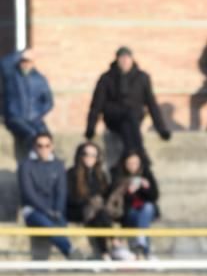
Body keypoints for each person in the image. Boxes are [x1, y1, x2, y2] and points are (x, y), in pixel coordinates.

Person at [85, 47, 171, 161]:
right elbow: (97, 104)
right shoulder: (106, 78)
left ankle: (130, 159)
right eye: (122, 58)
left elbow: (151, 104)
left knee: (128, 123)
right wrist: (90, 128)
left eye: (127, 58)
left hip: (133, 120)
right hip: (113, 118)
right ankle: (141, 155)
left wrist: (161, 129)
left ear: (132, 59)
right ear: (117, 60)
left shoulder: (142, 77)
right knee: (128, 116)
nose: (125, 61)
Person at [18, 132, 82, 260]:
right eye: (40, 145)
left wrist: (57, 210)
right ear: (35, 147)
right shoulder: (25, 165)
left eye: (47, 145)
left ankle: (73, 256)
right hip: (33, 210)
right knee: (48, 225)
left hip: (54, 210)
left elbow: (61, 191)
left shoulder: (58, 165)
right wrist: (47, 211)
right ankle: (72, 251)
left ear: (52, 146)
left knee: (59, 225)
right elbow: (28, 193)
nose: (44, 149)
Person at [65, 141, 122, 261]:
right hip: (77, 210)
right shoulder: (71, 174)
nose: (90, 158)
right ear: (80, 156)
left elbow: (106, 196)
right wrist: (88, 201)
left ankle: (105, 254)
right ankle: (115, 244)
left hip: (98, 213)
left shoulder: (100, 175)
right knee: (97, 210)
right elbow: (69, 198)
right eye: (86, 154)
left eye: (93, 155)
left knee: (100, 214)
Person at [1, 48, 53, 161]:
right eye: (23, 60)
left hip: (34, 118)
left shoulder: (39, 79)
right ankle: (33, 160)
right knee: (32, 134)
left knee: (46, 136)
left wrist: (37, 113)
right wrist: (20, 53)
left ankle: (50, 162)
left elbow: (48, 102)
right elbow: (3, 63)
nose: (25, 64)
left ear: (33, 63)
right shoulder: (12, 76)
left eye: (28, 61)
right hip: (15, 117)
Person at [109, 150, 160, 259]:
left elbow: (154, 196)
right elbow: (115, 200)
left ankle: (141, 244)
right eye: (130, 163)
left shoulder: (146, 174)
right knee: (143, 219)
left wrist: (144, 188)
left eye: (135, 163)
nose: (133, 166)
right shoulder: (118, 176)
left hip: (145, 211)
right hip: (128, 212)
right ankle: (146, 251)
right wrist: (128, 191)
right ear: (124, 163)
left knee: (147, 208)